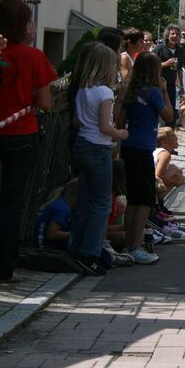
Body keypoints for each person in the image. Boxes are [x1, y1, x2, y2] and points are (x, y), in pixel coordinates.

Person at [0, 0, 57, 282]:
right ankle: (5, 266)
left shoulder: (2, 53)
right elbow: (45, 102)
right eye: (30, 22)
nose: (33, 27)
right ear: (21, 26)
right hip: (21, 135)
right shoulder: (34, 57)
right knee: (13, 202)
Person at [70, 44, 129, 275]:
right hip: (98, 148)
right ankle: (90, 252)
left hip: (82, 144)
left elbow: (76, 121)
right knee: (101, 202)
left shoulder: (83, 90)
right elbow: (106, 127)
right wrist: (121, 133)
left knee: (84, 200)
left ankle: (76, 247)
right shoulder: (105, 92)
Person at [117, 52, 172, 264]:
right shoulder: (154, 92)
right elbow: (168, 116)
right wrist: (165, 91)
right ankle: (136, 245)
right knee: (146, 200)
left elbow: (121, 122)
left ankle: (128, 243)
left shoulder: (130, 91)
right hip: (143, 148)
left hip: (129, 146)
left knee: (133, 198)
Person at [154, 24, 185, 129]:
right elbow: (151, 65)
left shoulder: (180, 50)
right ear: (167, 35)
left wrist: (181, 86)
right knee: (157, 108)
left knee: (171, 110)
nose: (175, 36)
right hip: (158, 83)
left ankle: (169, 133)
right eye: (172, 34)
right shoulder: (159, 48)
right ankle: (156, 131)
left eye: (177, 34)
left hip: (171, 84)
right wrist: (165, 64)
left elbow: (180, 69)